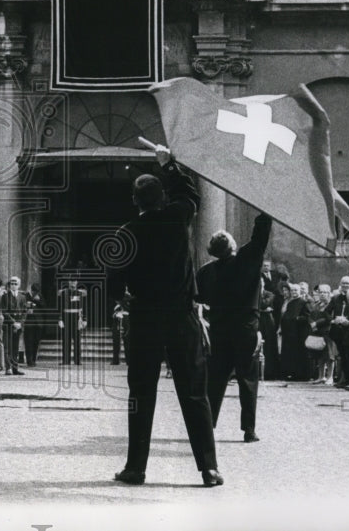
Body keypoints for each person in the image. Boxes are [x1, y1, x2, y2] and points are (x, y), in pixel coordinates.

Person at [107, 145, 222, 487]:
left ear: (135, 201)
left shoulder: (126, 232)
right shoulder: (178, 217)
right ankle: (209, 469)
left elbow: (114, 283)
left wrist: (125, 297)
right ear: (162, 198)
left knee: (141, 394)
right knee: (194, 394)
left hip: (144, 319)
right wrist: (167, 163)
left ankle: (136, 468)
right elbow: (189, 193)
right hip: (181, 317)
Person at [196, 212, 272, 444]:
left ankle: (207, 426)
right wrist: (265, 209)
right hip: (245, 328)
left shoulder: (205, 272)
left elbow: (200, 298)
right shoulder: (247, 260)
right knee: (247, 379)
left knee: (215, 380)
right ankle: (249, 430)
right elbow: (260, 237)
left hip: (220, 329)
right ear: (232, 245)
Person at [57, 275, 85, 365]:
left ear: (77, 282)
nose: (73, 282)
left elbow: (83, 307)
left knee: (77, 340)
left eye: (74, 281)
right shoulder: (63, 293)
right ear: (69, 282)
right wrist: (60, 319)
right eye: (71, 281)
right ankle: (66, 360)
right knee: (66, 340)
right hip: (66, 318)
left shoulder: (80, 293)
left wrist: (84, 319)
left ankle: (77, 360)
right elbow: (60, 307)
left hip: (77, 318)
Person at [1, 277, 27, 375]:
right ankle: (8, 368)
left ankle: (15, 368)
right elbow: (4, 311)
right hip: (8, 325)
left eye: (16, 283)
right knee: (7, 347)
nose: (13, 285)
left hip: (18, 326)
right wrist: (13, 322)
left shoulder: (22, 297)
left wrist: (20, 323)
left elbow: (25, 311)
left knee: (15, 348)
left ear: (19, 285)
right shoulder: (5, 296)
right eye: (12, 283)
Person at [23, 282, 45, 368]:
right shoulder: (26, 296)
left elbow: (44, 307)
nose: (35, 293)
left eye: (36, 291)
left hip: (38, 322)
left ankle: (34, 359)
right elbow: (23, 306)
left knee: (36, 342)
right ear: (31, 290)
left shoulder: (40, 296)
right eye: (34, 291)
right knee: (29, 342)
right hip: (28, 322)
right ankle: (29, 360)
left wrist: (38, 301)